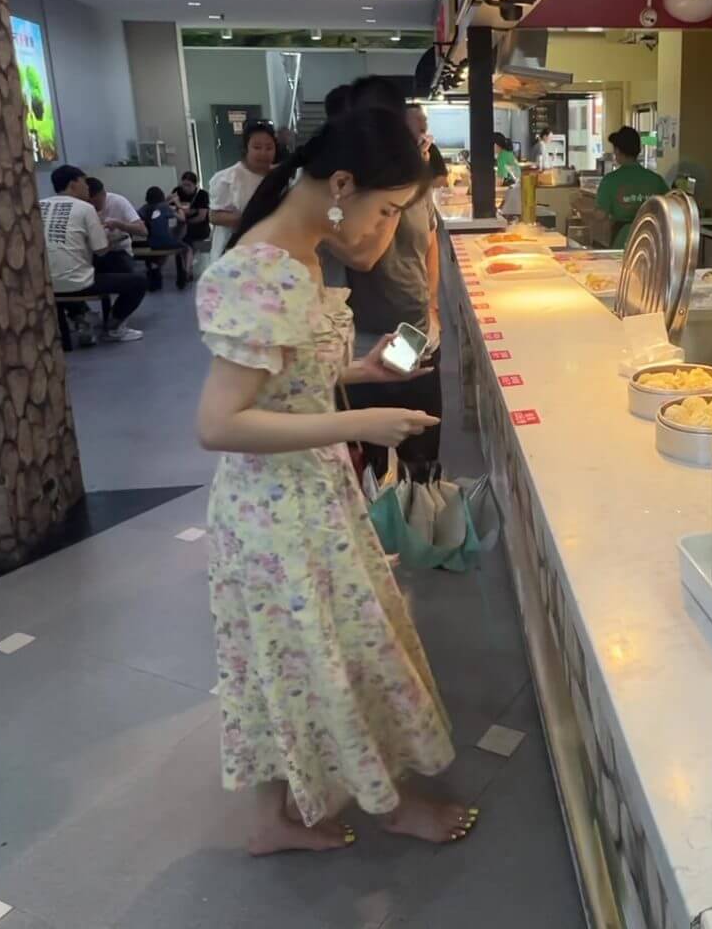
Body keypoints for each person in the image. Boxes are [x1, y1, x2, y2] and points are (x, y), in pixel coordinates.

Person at [192, 106, 476, 855]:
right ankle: (388, 805)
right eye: (388, 211)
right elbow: (219, 423)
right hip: (278, 512)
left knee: (292, 658)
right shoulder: (266, 269)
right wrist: (358, 421)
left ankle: (275, 820)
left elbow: (282, 382)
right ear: (344, 185)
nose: (388, 229)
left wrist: (357, 373)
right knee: (333, 652)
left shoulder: (298, 254)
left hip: (303, 497)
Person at [344, 93, 446, 478]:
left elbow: (430, 243)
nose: (423, 140)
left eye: (424, 131)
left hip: (416, 334)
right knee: (370, 462)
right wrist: (397, 194)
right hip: (366, 341)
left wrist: (431, 304)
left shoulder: (419, 190)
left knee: (422, 452)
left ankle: (419, 506)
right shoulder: (352, 193)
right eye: (413, 133)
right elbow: (363, 257)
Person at [41, 165, 145, 343]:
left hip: (46, 282)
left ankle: (81, 317)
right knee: (138, 281)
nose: (87, 187)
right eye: (84, 182)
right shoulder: (84, 208)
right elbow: (101, 250)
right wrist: (113, 237)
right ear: (73, 184)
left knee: (65, 271)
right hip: (78, 282)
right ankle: (113, 328)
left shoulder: (40, 205)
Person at [207, 122, 280, 260]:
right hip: (234, 254)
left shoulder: (281, 177)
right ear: (246, 148)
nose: (263, 153)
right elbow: (214, 216)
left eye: (269, 148)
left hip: (269, 252)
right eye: (257, 147)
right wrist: (252, 218)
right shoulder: (228, 178)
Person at [592, 125, 670, 246]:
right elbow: (669, 208)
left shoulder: (610, 180)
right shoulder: (656, 180)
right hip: (651, 241)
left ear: (617, 151)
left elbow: (600, 215)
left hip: (622, 240)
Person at [85, 176, 148, 275]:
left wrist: (119, 224)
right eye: (89, 203)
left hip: (119, 251)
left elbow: (143, 231)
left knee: (128, 275)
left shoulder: (118, 201)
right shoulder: (82, 206)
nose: (93, 206)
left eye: (95, 203)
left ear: (103, 194)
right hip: (94, 253)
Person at [139, 185, 192, 291]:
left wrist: (167, 201)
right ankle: (186, 273)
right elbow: (182, 219)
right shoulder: (164, 207)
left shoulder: (144, 208)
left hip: (152, 243)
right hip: (166, 241)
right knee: (187, 249)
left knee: (162, 251)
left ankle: (155, 272)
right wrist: (178, 205)